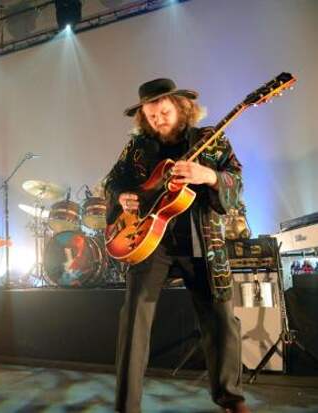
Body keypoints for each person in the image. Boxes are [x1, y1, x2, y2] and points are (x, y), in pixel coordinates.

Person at [104, 78, 249, 413]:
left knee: (221, 319)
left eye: (164, 112)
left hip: (202, 241)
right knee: (134, 320)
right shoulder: (137, 148)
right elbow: (112, 182)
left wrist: (208, 176)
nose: (158, 120)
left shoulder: (210, 139)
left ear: (182, 107)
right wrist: (121, 197)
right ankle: (127, 406)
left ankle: (231, 398)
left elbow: (236, 181)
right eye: (151, 115)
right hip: (151, 241)